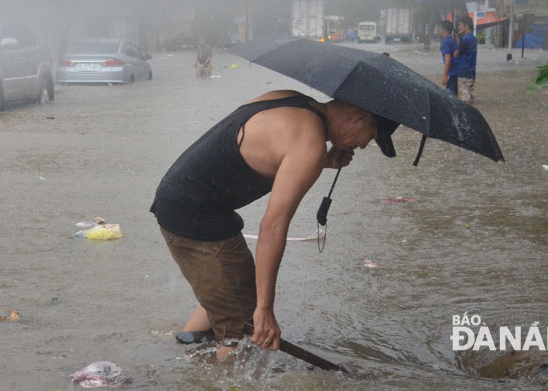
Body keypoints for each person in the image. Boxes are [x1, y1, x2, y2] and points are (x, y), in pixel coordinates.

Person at [150, 90, 398, 360]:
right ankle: (215, 376)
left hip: (185, 201)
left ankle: (184, 359)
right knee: (243, 331)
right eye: (370, 137)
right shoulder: (309, 146)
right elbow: (272, 227)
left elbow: (262, 152)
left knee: (230, 293)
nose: (362, 146)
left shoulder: (291, 100)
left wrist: (326, 160)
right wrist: (265, 309)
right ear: (359, 117)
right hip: (194, 215)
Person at [453, 16, 478, 104]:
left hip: (463, 69)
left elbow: (456, 54)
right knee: (471, 94)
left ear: (466, 26)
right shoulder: (473, 38)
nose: (459, 27)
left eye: (460, 25)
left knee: (464, 98)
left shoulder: (464, 39)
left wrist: (457, 41)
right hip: (471, 69)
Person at [439, 20, 458, 96]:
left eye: (439, 28)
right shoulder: (454, 40)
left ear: (444, 29)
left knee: (449, 98)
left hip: (453, 74)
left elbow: (448, 59)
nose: (439, 30)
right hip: (460, 73)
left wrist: (445, 76)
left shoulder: (445, 42)